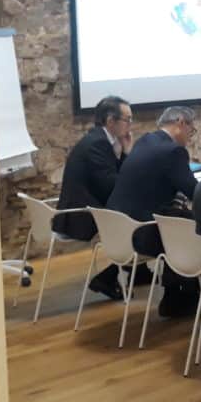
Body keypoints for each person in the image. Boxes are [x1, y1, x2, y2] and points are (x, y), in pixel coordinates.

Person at [107, 106, 201, 317]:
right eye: (191, 130)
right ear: (180, 123)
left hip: (117, 229)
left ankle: (177, 294)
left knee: (175, 219)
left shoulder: (146, 140)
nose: (190, 136)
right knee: (186, 227)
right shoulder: (174, 151)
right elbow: (194, 191)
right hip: (142, 234)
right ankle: (180, 296)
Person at [54, 95, 134, 300]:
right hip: (80, 215)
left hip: (87, 206)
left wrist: (125, 153)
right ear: (110, 121)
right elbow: (112, 185)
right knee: (136, 218)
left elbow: (112, 180)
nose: (130, 125)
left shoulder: (99, 139)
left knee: (133, 213)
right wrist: (128, 154)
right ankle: (108, 277)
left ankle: (136, 271)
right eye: (127, 119)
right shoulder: (98, 144)